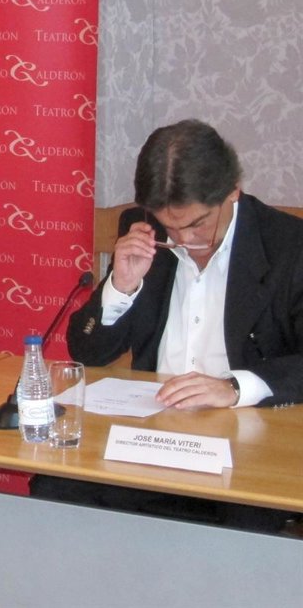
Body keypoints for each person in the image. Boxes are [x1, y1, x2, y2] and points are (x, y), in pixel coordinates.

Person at [33, 119, 303, 531]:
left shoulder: (289, 246)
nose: (184, 239)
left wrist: (233, 387)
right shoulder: (145, 231)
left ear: (233, 190)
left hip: (247, 446)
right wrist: (122, 286)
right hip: (150, 435)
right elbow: (89, 351)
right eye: (170, 226)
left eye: (197, 224)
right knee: (56, 487)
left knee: (241, 526)